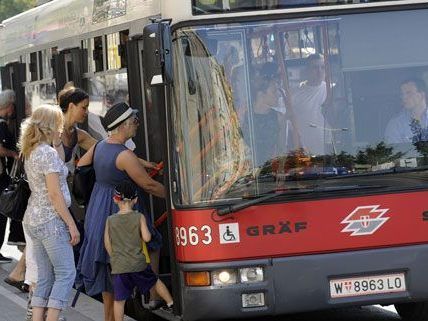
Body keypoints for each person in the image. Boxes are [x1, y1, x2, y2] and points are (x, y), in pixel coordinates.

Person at [76, 102, 166, 321]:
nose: (137, 125)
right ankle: (151, 292)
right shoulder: (125, 155)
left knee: (109, 266)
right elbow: (149, 185)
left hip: (98, 208)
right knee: (152, 242)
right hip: (120, 209)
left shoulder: (99, 147)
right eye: (134, 122)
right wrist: (174, 197)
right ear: (124, 126)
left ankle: (120, 311)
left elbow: (81, 167)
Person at [20, 104, 80, 321]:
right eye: (59, 124)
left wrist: (56, 143)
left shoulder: (32, 151)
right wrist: (71, 224)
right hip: (51, 222)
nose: (62, 129)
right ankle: (53, 318)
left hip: (33, 219)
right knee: (66, 273)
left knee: (45, 277)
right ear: (50, 126)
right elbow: (55, 195)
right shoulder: (47, 154)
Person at [104, 181, 173, 321]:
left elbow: (107, 242)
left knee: (119, 300)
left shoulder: (110, 220)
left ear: (115, 200)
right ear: (135, 200)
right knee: (154, 281)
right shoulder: (139, 216)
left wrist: (114, 257)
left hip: (119, 266)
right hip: (138, 263)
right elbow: (147, 238)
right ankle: (171, 303)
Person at [290, 53, 330, 155]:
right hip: (307, 151)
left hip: (329, 148)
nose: (319, 71)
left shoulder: (331, 90)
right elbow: (290, 124)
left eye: (322, 67)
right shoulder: (295, 94)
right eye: (315, 68)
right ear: (307, 70)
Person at [0, 89, 19, 263]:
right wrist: (13, 154)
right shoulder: (1, 125)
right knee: (2, 212)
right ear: (9, 106)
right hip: (0, 177)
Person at [385, 78, 428, 144]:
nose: (404, 97)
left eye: (408, 93)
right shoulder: (396, 123)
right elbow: (393, 151)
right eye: (402, 94)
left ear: (421, 94)